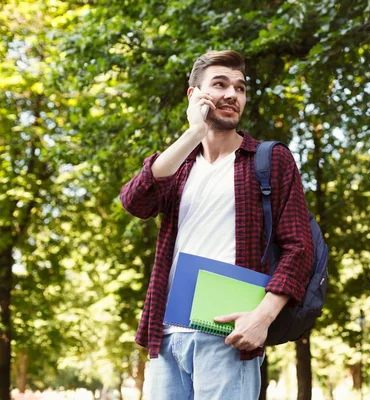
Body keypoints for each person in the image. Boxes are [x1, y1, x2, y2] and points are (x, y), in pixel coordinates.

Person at [120, 50, 314, 399]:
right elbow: (135, 202)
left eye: (239, 88)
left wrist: (263, 317)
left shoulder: (269, 160)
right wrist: (194, 133)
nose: (231, 94)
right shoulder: (179, 164)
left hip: (226, 334)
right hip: (165, 336)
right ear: (194, 95)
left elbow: (299, 248)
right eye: (220, 84)